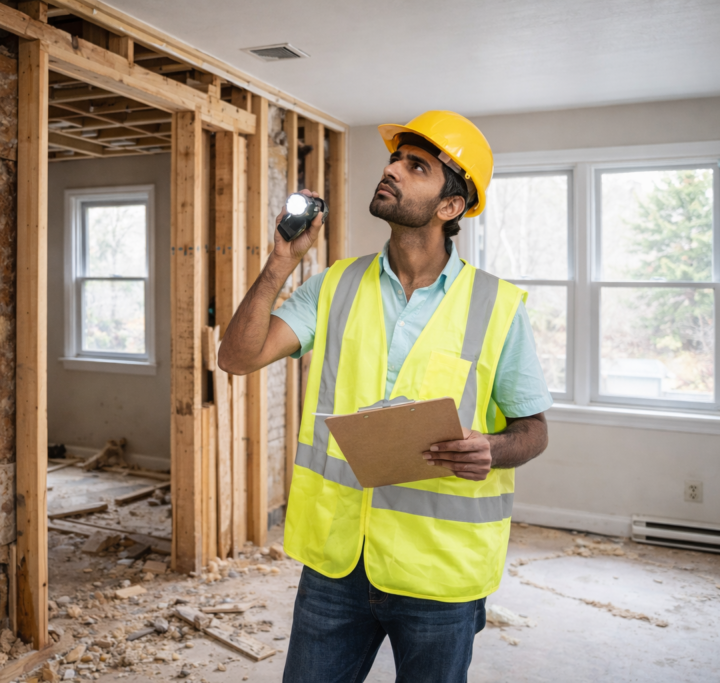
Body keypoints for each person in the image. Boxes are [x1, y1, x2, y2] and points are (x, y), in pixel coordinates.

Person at [217, 111, 553, 683]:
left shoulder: (498, 306)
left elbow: (533, 430)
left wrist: (490, 450)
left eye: (415, 166)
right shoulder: (335, 285)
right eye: (394, 159)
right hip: (337, 564)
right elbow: (238, 357)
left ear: (450, 206)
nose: (392, 169)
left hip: (439, 573)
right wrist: (281, 262)